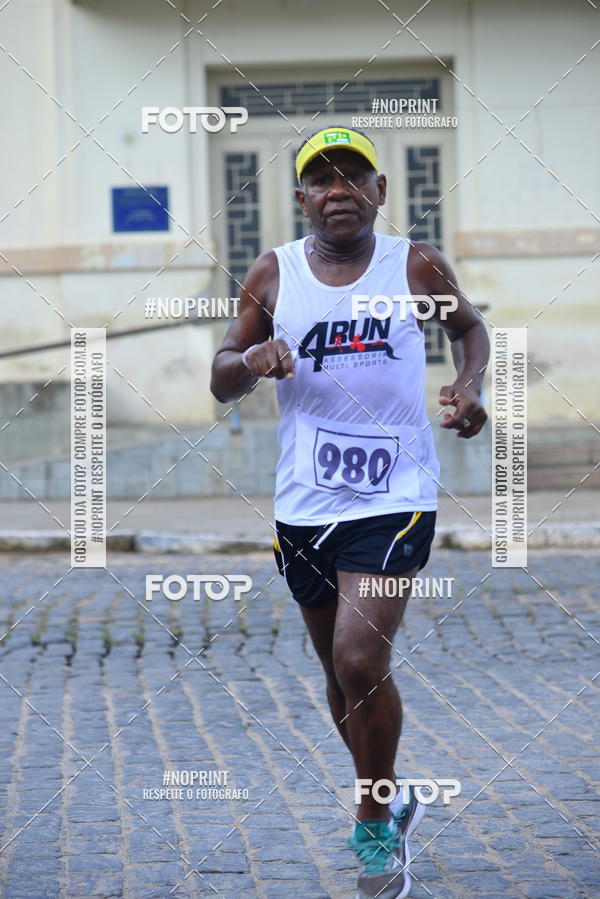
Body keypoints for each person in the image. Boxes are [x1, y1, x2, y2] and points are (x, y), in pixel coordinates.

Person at [211, 125, 489, 899]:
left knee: (362, 659)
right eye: (321, 179)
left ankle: (371, 818)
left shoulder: (415, 264)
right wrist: (251, 361)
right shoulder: (273, 273)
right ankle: (393, 793)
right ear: (301, 196)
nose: (338, 190)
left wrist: (470, 389)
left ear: (379, 191)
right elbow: (220, 375)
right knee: (338, 670)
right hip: (303, 503)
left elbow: (469, 328)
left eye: (353, 176)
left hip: (393, 496)